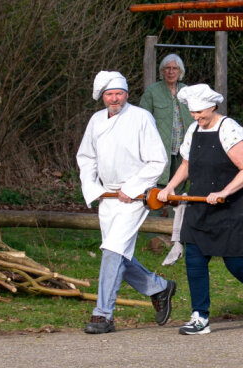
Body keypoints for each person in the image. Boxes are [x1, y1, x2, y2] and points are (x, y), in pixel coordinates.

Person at [157, 84, 243, 334]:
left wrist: (224, 192)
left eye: (200, 112)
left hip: (234, 207)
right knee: (194, 259)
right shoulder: (193, 130)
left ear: (213, 106)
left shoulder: (230, 131)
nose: (196, 117)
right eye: (192, 112)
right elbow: (186, 164)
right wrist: (169, 187)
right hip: (199, 204)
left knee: (237, 264)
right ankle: (200, 317)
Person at [77, 71, 176, 334]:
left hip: (134, 198)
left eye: (119, 93)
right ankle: (159, 287)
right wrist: (93, 187)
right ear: (102, 97)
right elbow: (86, 158)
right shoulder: (96, 120)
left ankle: (103, 315)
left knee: (112, 251)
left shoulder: (141, 117)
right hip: (108, 198)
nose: (114, 98)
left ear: (127, 94)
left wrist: (132, 189)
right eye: (109, 94)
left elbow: (157, 160)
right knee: (117, 253)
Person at [140, 53, 195, 190]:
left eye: (175, 68)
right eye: (167, 68)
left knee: (178, 187)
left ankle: (175, 212)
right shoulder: (152, 91)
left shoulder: (188, 91)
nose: (171, 72)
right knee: (155, 188)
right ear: (162, 71)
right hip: (159, 149)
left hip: (182, 149)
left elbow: (198, 117)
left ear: (180, 71)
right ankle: (154, 212)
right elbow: (141, 120)